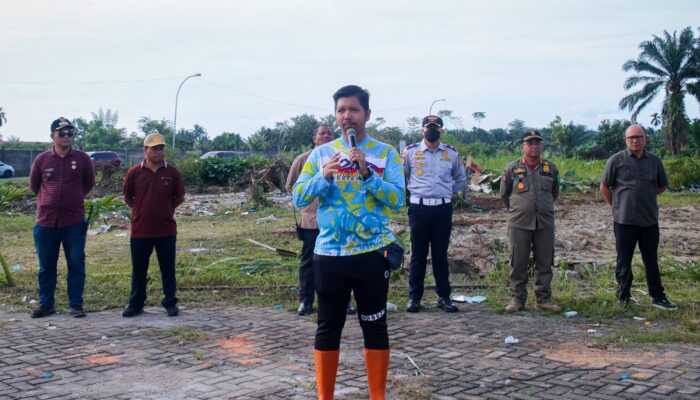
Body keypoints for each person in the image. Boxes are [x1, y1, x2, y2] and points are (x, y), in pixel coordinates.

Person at [293, 85, 405, 399]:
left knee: (375, 326)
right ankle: (325, 396)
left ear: (367, 114)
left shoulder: (385, 154)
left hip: (371, 254)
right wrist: (322, 177)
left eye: (354, 110)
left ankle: (377, 396)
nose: (347, 116)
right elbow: (298, 196)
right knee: (328, 327)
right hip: (329, 256)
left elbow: (397, 199)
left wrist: (368, 173)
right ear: (336, 115)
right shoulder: (320, 155)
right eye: (341, 110)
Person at [599, 124, 677, 310]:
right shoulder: (616, 160)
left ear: (646, 139)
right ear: (625, 140)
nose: (635, 140)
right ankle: (623, 296)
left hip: (649, 220)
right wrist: (617, 206)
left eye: (639, 137)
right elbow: (604, 186)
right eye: (631, 138)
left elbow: (661, 186)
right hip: (624, 220)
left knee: (651, 259)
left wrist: (645, 197)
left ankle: (658, 297)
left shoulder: (655, 161)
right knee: (623, 259)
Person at [286, 125, 357, 316]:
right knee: (309, 262)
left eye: (329, 134)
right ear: (314, 138)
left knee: (342, 260)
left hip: (336, 221)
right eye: (321, 134)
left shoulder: (344, 157)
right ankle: (306, 301)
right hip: (311, 220)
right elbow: (293, 187)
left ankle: (346, 300)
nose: (326, 136)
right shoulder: (303, 159)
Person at [29, 117, 95, 318]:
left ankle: (76, 304)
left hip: (73, 221)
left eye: (70, 133)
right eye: (62, 133)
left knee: (76, 263)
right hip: (46, 221)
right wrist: (49, 200)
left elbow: (89, 183)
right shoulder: (42, 160)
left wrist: (71, 198)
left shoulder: (82, 158)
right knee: (46, 266)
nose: (67, 136)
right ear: (52, 136)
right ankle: (46, 304)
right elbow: (34, 186)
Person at [403, 115, 467, 313]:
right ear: (422, 130)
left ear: (442, 130)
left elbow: (461, 179)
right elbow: (402, 177)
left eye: (436, 127)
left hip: (442, 209)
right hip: (419, 209)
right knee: (418, 256)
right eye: (428, 127)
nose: (432, 130)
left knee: (440, 255)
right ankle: (414, 298)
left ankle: (444, 297)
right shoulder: (411, 152)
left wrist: (446, 191)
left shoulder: (451, 153)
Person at [121, 132, 185, 317]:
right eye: (154, 148)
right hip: (140, 230)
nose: (158, 152)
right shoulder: (134, 173)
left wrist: (165, 210)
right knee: (139, 269)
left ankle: (170, 303)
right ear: (145, 150)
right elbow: (128, 197)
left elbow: (179, 197)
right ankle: (136, 304)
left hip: (166, 229)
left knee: (168, 268)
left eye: (161, 148)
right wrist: (142, 210)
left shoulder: (172, 172)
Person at [500, 130, 561, 313]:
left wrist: (542, 207)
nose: (534, 146)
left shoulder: (551, 168)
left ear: (542, 147)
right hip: (519, 222)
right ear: (522, 147)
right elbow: (504, 194)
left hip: (544, 222)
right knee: (518, 262)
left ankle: (543, 299)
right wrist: (519, 209)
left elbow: (554, 193)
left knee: (544, 261)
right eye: (530, 143)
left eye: (537, 143)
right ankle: (518, 299)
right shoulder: (512, 168)